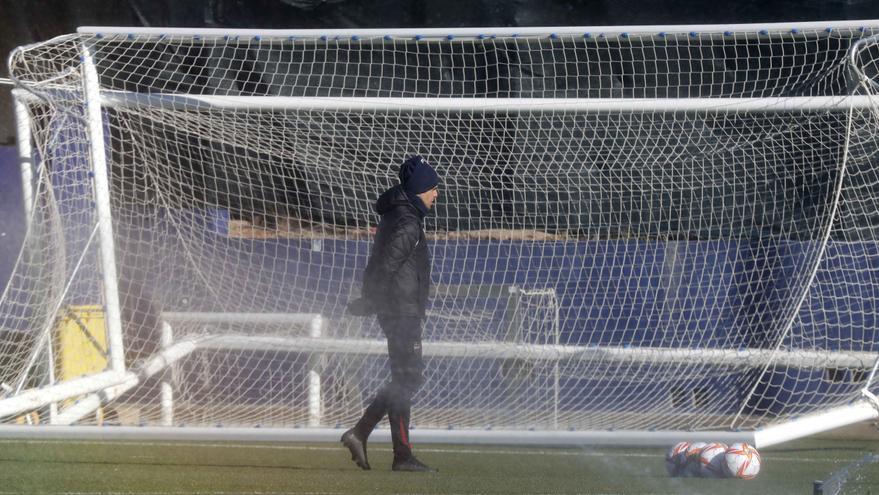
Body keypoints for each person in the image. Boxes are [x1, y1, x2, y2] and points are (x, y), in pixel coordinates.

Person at [342, 155, 440, 473]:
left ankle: (400, 454)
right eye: (432, 188)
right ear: (419, 189)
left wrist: (371, 300)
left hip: (398, 309)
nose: (436, 194)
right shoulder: (408, 221)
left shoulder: (397, 215)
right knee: (409, 378)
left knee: (403, 379)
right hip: (401, 311)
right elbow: (386, 265)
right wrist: (372, 301)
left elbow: (381, 263)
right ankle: (362, 433)